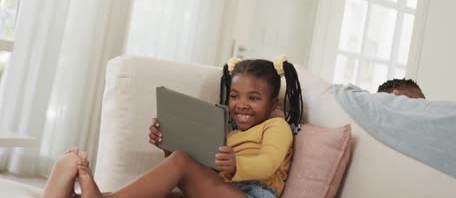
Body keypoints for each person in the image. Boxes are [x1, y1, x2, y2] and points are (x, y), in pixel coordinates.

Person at [43, 56, 304, 198]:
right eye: (235, 96)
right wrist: (167, 141)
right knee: (168, 184)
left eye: (254, 98)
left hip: (253, 195)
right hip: (220, 189)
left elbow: (269, 162)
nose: (241, 104)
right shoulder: (229, 130)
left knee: (182, 161)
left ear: (272, 104)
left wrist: (236, 165)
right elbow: (200, 165)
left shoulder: (276, 126)